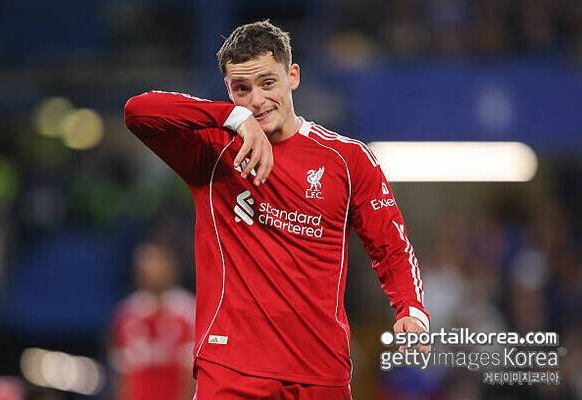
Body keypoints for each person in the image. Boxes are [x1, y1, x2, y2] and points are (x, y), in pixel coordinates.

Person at [124, 20, 429, 400]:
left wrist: (411, 309)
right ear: (228, 90)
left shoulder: (348, 159)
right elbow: (139, 111)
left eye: (268, 83)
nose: (256, 100)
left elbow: (391, 247)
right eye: (242, 89)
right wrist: (232, 118)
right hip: (232, 369)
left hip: (321, 373)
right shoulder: (212, 151)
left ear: (292, 76)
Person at [110, 242, 195, 400]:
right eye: (146, 262)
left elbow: (191, 374)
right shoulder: (126, 313)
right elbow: (122, 376)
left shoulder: (188, 311)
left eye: (158, 261)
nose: (151, 269)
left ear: (171, 267)